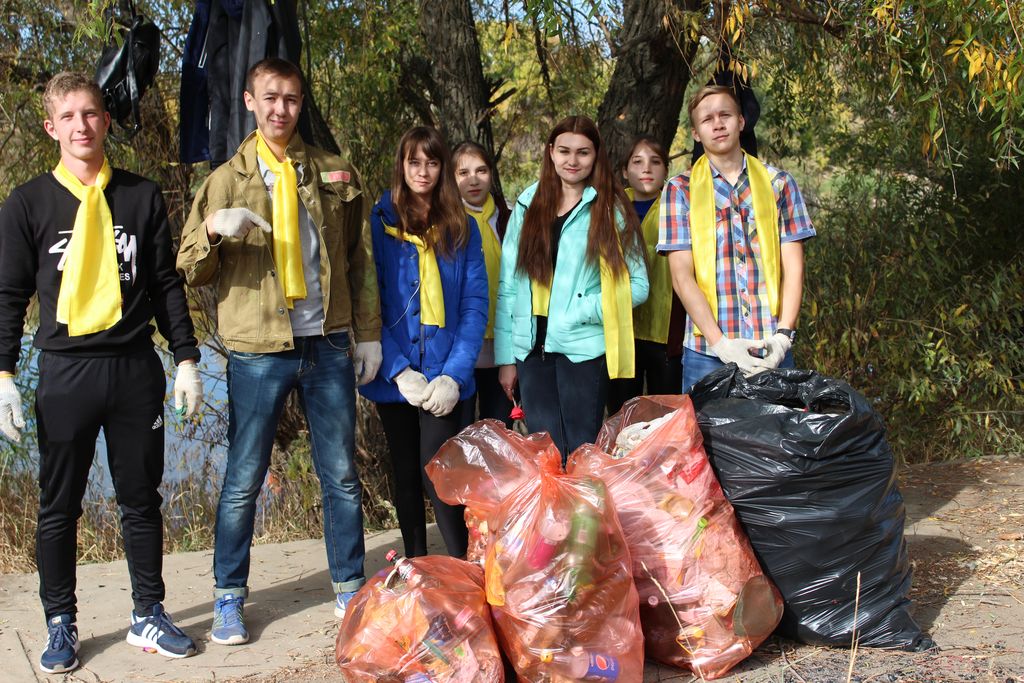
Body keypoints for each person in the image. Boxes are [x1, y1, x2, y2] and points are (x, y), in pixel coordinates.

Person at [0, 72, 201, 673]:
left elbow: (166, 283)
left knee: (141, 500)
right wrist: (2, 374)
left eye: (91, 114)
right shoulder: (27, 203)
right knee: (58, 506)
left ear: (106, 121)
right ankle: (60, 622)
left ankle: (147, 614)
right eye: (69, 117)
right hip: (65, 373)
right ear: (51, 127)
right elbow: (8, 295)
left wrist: (187, 358)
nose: (82, 126)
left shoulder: (140, 196)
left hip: (134, 369)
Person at [176, 57, 381, 644]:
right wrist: (214, 230)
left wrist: (366, 332)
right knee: (244, 476)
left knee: (340, 475)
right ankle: (227, 600)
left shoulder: (335, 173)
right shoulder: (223, 180)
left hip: (327, 342)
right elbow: (191, 268)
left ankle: (349, 591)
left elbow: (359, 261)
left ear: (300, 102)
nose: (280, 109)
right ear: (248, 100)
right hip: (258, 350)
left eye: (290, 99)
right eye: (269, 98)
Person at [360, 127, 488, 559]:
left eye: (432, 162)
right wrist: (397, 369)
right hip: (396, 376)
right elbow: (369, 299)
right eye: (414, 162)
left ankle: (460, 566)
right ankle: (414, 565)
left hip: (445, 375)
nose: (423, 171)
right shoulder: (378, 224)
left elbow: (474, 307)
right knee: (405, 474)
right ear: (401, 165)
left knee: (443, 471)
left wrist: (454, 374)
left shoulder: (463, 228)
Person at [495, 115, 649, 461]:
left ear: (596, 156)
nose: (572, 161)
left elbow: (638, 285)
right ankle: (552, 518)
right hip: (531, 348)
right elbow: (508, 285)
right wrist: (507, 357)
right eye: (564, 151)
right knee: (544, 454)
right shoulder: (527, 204)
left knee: (582, 453)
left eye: (583, 152)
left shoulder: (610, 208)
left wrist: (582, 312)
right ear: (550, 152)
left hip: (582, 347)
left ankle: (586, 517)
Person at [659, 85, 815, 392]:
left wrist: (784, 336)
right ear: (696, 133)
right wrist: (721, 344)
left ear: (741, 122)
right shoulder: (679, 190)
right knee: (708, 441)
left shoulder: (779, 184)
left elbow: (794, 269)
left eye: (725, 115)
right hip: (707, 352)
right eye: (707, 119)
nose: (717, 123)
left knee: (774, 439)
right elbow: (681, 277)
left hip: (770, 345)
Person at [606, 135, 686, 414]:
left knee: (663, 414)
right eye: (637, 162)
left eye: (655, 162)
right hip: (621, 329)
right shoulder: (610, 210)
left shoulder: (678, 208)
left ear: (666, 170)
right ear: (625, 171)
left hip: (665, 330)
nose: (646, 169)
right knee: (621, 412)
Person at [452, 141, 514, 427]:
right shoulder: (446, 222)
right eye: (463, 173)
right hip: (458, 348)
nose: (473, 180)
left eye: (481, 170)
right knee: (460, 437)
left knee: (499, 433)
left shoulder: (511, 218)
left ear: (492, 174)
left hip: (504, 347)